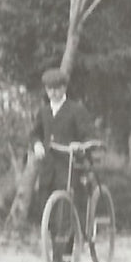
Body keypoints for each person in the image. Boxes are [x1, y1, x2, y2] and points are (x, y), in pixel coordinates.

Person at [30, 66, 98, 225]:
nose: (53, 93)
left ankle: (69, 241)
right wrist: (37, 144)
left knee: (68, 204)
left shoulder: (76, 110)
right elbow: (34, 133)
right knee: (47, 204)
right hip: (48, 166)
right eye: (49, 89)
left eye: (56, 89)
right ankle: (52, 244)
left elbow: (89, 135)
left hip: (70, 164)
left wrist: (79, 145)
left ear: (64, 88)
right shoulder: (44, 112)